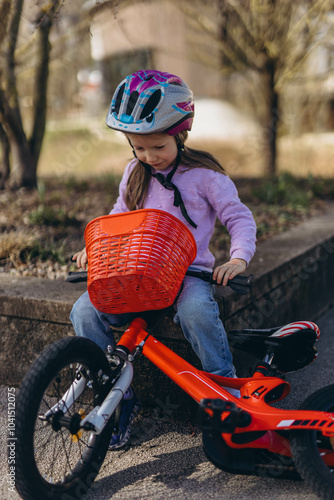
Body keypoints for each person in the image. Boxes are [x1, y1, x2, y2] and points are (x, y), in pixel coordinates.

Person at [70, 69, 257, 450]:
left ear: (180, 133)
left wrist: (237, 259)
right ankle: (116, 398)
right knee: (85, 311)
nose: (148, 156)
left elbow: (239, 217)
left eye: (158, 147)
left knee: (197, 313)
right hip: (138, 273)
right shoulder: (134, 174)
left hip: (188, 274)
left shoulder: (204, 177)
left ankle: (225, 395)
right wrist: (96, 249)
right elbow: (119, 216)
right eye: (138, 148)